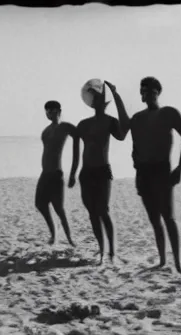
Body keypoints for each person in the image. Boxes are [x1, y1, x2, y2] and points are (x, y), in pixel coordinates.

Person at [120, 77, 181, 273]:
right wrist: (137, 169)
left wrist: (180, 168)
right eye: (144, 91)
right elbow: (134, 147)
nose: (148, 95)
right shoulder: (137, 118)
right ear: (141, 95)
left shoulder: (169, 113)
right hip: (143, 172)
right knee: (154, 218)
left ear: (158, 93)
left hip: (162, 169)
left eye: (152, 91)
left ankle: (178, 263)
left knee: (168, 217)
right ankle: (162, 260)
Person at [70, 81, 130, 265]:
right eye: (94, 97)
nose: (97, 100)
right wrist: (73, 173)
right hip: (86, 173)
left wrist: (117, 96)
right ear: (91, 101)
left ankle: (112, 252)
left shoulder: (110, 121)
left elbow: (124, 132)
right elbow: (76, 151)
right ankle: (102, 250)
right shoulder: (83, 124)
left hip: (103, 171)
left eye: (100, 97)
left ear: (105, 102)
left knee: (103, 210)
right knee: (92, 214)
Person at [35, 100, 78, 246]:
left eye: (53, 111)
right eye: (47, 111)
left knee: (58, 207)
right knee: (40, 204)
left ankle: (70, 238)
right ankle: (54, 233)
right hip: (45, 173)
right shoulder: (46, 130)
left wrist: (73, 172)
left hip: (56, 173)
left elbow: (78, 138)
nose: (50, 113)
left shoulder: (64, 127)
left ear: (59, 111)